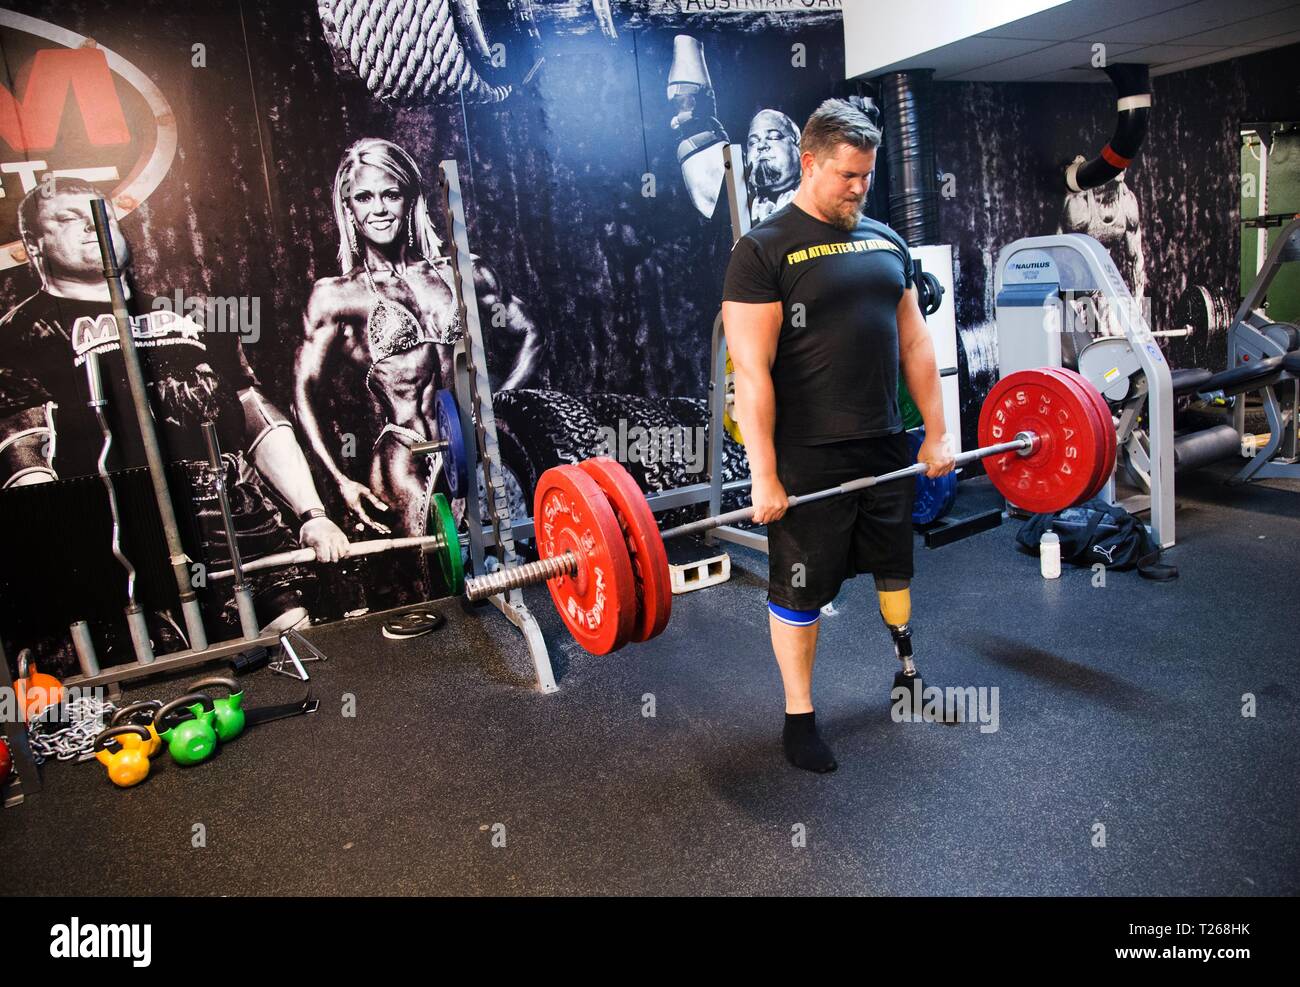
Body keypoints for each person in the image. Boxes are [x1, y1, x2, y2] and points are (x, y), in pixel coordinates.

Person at [0, 177, 349, 640]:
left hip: (237, 528)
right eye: (69, 219)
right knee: (178, 688)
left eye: (100, 213)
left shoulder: (194, 309)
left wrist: (313, 514)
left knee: (308, 649)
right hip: (125, 550)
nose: (92, 226)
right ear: (34, 243)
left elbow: (255, 415)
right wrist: (70, 566)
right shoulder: (19, 335)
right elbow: (25, 456)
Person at [721, 99, 955, 773]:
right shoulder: (762, 250)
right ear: (810, 162)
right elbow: (753, 376)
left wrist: (935, 432)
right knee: (802, 587)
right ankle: (800, 716)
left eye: (867, 175)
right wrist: (764, 475)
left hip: (884, 440)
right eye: (847, 175)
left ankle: (907, 677)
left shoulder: (886, 241)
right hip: (809, 455)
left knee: (894, 564)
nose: (858, 187)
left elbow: (914, 342)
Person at [297, 138, 539, 539]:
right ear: (348, 208)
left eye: (390, 194)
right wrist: (341, 481)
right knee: (443, 581)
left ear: (410, 199)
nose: (378, 209)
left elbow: (531, 334)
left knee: (516, 559)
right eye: (364, 197)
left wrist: (498, 405)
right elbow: (304, 393)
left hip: (476, 447)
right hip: (404, 455)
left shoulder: (463, 274)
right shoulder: (337, 295)